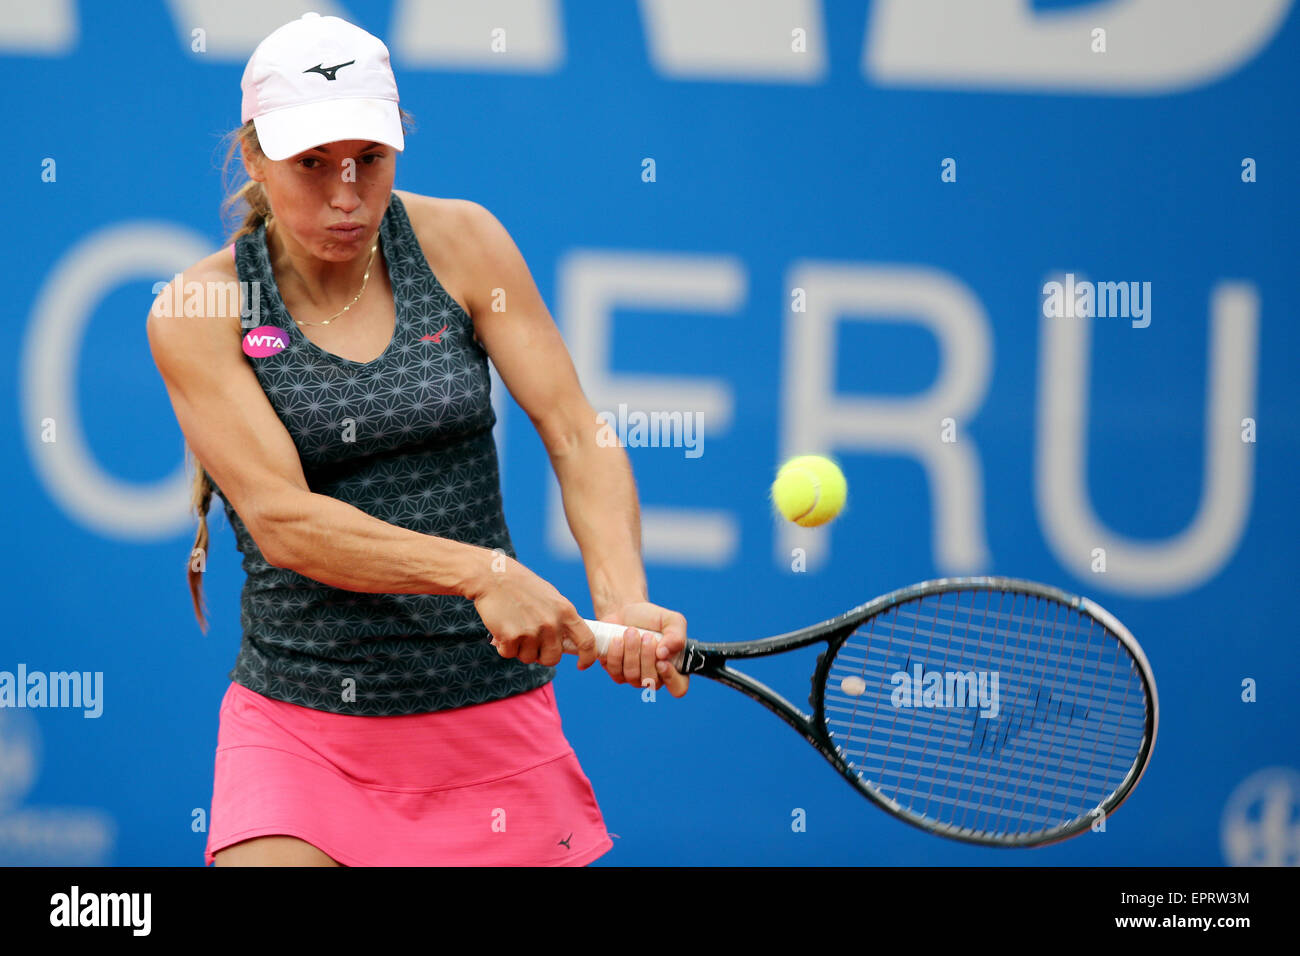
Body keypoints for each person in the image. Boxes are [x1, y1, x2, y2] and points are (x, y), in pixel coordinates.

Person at [146, 12, 689, 867]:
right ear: (254, 158)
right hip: (300, 730)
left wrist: (620, 599)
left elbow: (577, 431)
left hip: (487, 725)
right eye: (311, 164)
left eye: (371, 158)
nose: (346, 193)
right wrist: (483, 573)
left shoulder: (463, 241)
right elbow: (286, 522)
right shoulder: (197, 309)